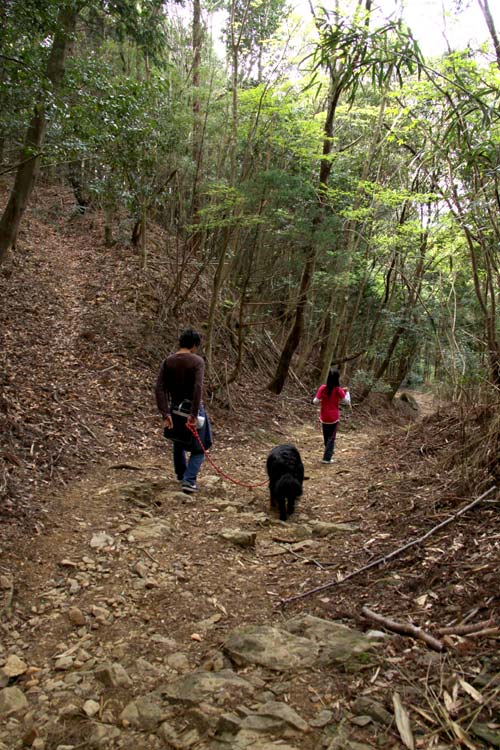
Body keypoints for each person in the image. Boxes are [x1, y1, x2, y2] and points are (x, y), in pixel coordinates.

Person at [155, 328, 212, 493]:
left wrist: (165, 412)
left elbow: (159, 388)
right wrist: (194, 414)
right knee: (202, 446)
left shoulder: (168, 361)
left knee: (178, 441)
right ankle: (189, 480)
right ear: (194, 345)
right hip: (192, 407)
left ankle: (181, 474)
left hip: (174, 407)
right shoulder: (197, 361)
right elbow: (198, 387)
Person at [313, 368, 348, 464]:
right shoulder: (338, 390)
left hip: (324, 417)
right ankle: (327, 458)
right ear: (337, 378)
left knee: (326, 437)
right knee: (331, 438)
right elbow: (346, 401)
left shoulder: (322, 388)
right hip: (334, 418)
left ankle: (328, 453)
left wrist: (322, 400)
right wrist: (347, 392)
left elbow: (315, 401)